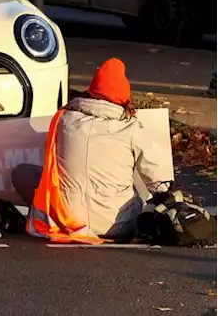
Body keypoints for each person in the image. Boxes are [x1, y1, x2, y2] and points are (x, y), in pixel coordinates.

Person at [19, 58, 171, 243]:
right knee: (138, 198)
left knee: (24, 173)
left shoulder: (64, 121)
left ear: (92, 91)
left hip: (66, 220)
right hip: (118, 224)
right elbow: (158, 182)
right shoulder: (132, 129)